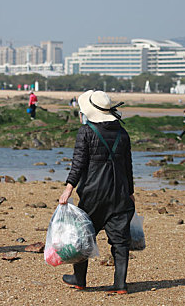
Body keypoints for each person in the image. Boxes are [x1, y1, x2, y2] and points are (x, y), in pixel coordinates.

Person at [59, 90, 135, 294]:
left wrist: (68, 188)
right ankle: (120, 285)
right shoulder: (122, 133)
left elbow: (78, 164)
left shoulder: (86, 131)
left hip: (93, 193)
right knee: (120, 241)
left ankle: (79, 279)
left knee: (83, 236)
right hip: (119, 193)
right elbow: (128, 165)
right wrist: (130, 191)